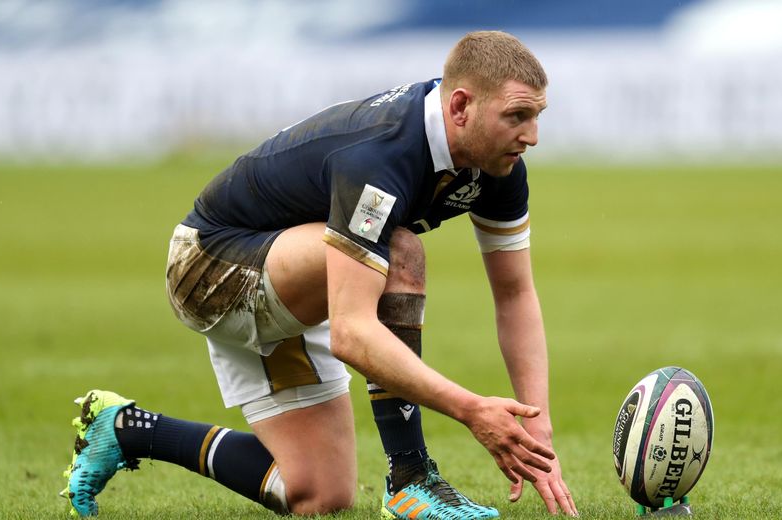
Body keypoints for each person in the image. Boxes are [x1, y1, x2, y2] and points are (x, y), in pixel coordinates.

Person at [61, 30, 578, 518]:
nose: (532, 136)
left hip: (305, 271)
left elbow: (514, 293)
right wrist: (471, 410)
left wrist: (538, 429)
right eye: (517, 116)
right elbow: (351, 333)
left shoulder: (497, 165)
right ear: (461, 106)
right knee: (400, 251)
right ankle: (411, 477)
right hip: (209, 265)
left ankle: (127, 430)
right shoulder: (383, 154)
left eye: (537, 116)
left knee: (318, 493)